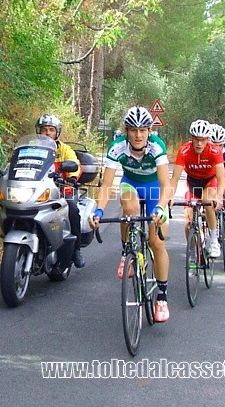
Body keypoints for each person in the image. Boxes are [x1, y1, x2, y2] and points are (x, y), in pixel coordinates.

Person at [90, 106, 171, 323]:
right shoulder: (117, 147)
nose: (138, 135)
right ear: (126, 131)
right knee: (129, 208)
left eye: (143, 130)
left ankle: (162, 297)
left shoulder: (157, 146)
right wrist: (98, 210)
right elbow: (107, 184)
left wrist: (161, 207)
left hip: (154, 188)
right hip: (130, 184)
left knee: (157, 242)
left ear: (149, 131)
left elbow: (166, 184)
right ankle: (127, 251)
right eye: (133, 130)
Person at [169, 120, 225, 258]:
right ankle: (193, 251)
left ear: (208, 139)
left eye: (203, 140)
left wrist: (218, 197)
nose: (199, 144)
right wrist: (169, 196)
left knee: (208, 201)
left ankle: (213, 239)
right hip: (193, 183)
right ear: (191, 138)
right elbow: (175, 179)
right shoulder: (184, 151)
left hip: (210, 181)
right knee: (188, 222)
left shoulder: (215, 151)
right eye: (196, 140)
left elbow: (222, 178)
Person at [35, 113, 85, 269]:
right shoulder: (32, 147)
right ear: (39, 131)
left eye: (51, 129)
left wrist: (71, 178)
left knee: (72, 207)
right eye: (44, 129)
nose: (48, 133)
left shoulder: (64, 149)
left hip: (61, 188)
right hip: (38, 190)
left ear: (57, 132)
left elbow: (75, 164)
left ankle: (76, 249)